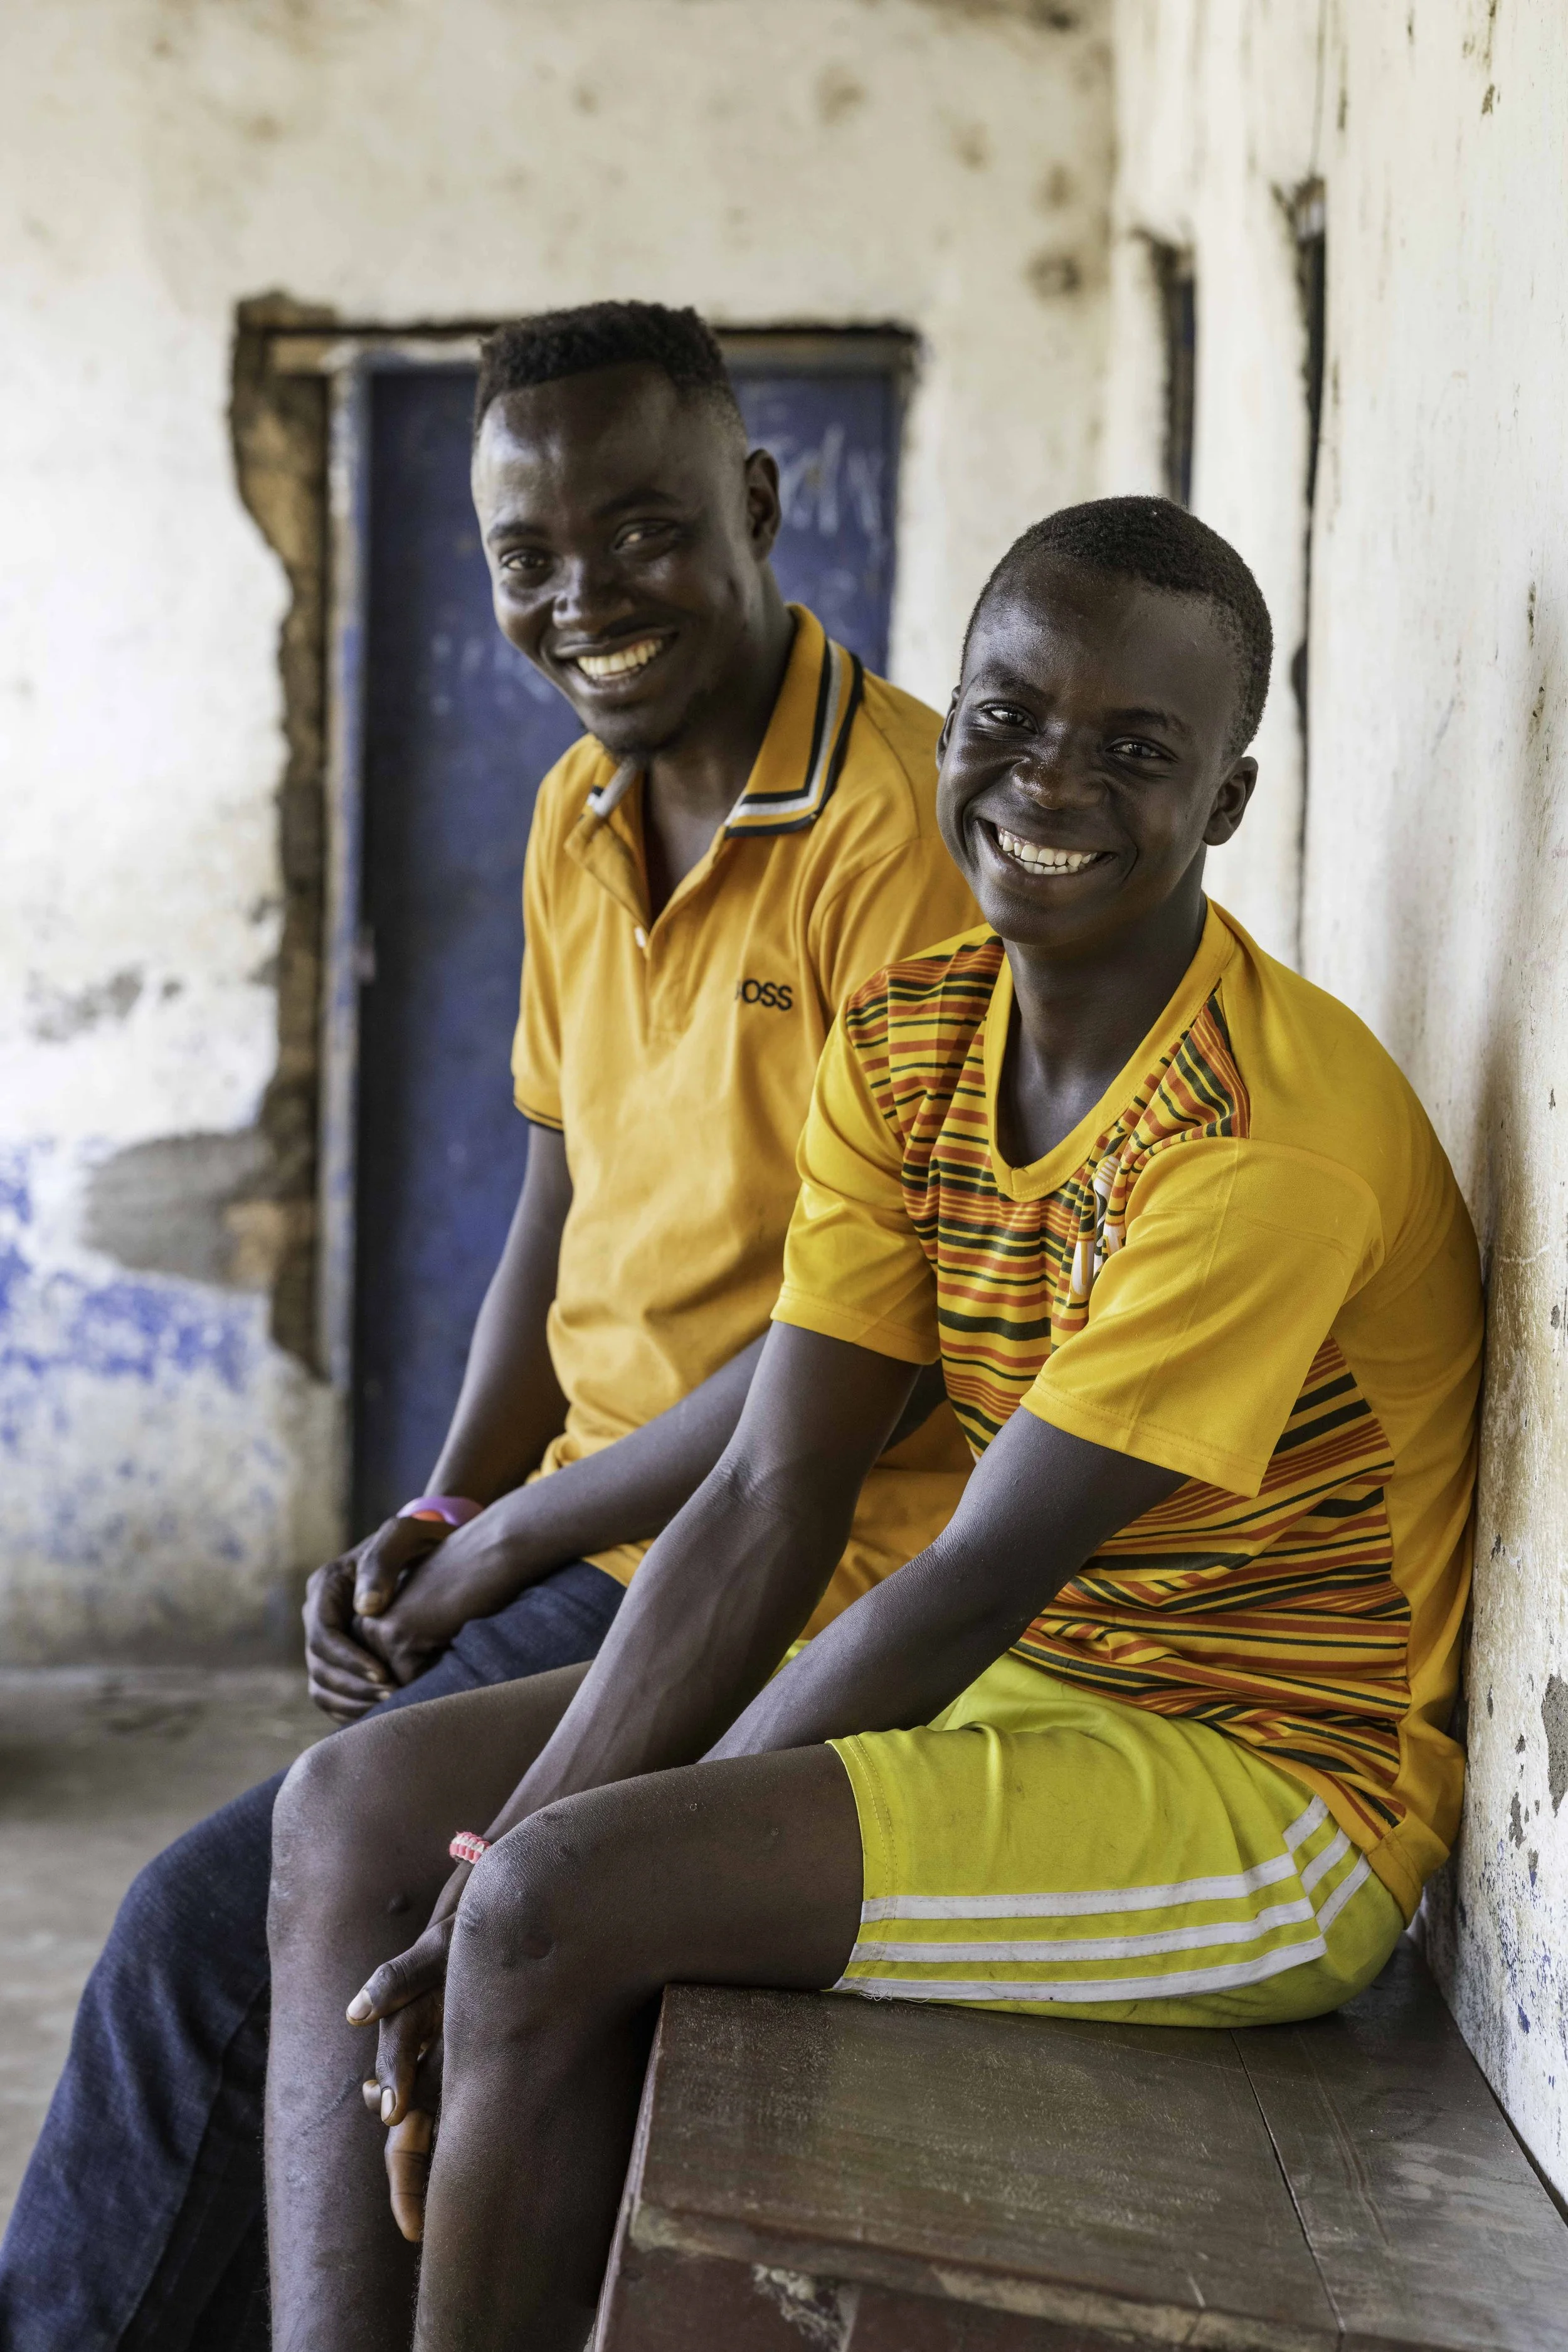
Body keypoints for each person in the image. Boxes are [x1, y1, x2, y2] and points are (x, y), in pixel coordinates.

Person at [263, 494, 1483, 2352]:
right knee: (362, 1812)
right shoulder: (911, 1036)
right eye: (1009, 716)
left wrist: (550, 1872)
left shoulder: (1257, 1138)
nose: (1048, 783)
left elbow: (978, 1572)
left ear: (1227, 803)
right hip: (1031, 1694)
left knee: (556, 1906)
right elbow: (774, 1487)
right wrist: (492, 1861)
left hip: (1271, 1787)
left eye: (1135, 752)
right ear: (953, 715)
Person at [0, 302, 978, 2352]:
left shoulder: (903, 842)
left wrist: (513, 1537)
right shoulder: (572, 813)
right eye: (527, 554)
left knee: (225, 1925)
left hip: (806, 1566)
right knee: (260, 1959)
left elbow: (868, 1371)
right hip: (591, 1540)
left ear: (760, 505)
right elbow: (558, 1193)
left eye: (643, 529)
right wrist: (449, 1499)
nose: (582, 596)